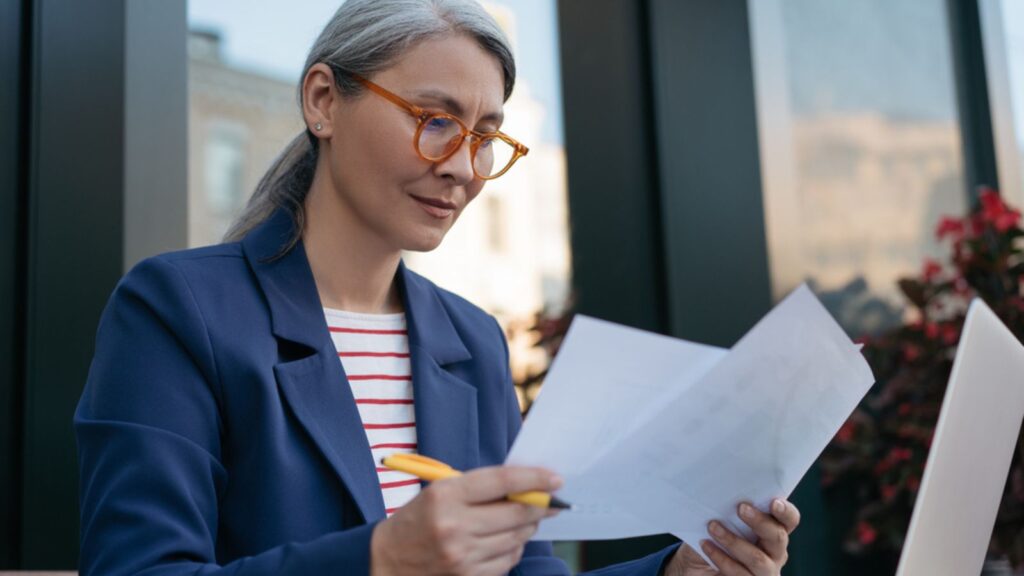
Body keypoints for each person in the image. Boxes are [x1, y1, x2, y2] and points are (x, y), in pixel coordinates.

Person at [74, 1, 800, 574]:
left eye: (485, 135)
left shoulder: (472, 340)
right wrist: (381, 561)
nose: (464, 166)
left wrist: (675, 572)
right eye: (435, 120)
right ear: (323, 100)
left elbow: (524, 572)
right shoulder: (177, 310)